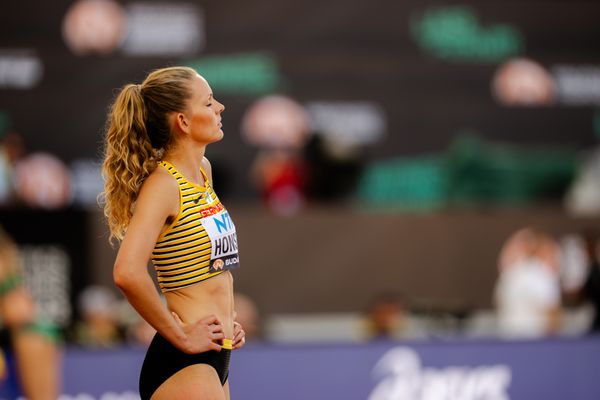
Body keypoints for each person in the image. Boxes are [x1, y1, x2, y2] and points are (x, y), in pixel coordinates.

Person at [101, 66, 246, 399]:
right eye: (209, 103)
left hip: (215, 354)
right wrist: (179, 335)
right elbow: (127, 272)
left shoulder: (203, 172)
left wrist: (227, 320)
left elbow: (208, 271)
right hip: (184, 361)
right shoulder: (164, 185)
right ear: (183, 121)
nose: (220, 107)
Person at [0, 225, 61, 400]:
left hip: (17, 329)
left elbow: (20, 307)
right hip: (11, 331)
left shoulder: (7, 261)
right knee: (31, 339)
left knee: (39, 335)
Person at [494, 227, 562, 339]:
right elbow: (552, 309)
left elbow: (498, 302)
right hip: (533, 339)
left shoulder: (509, 274)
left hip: (511, 337)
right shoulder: (543, 275)